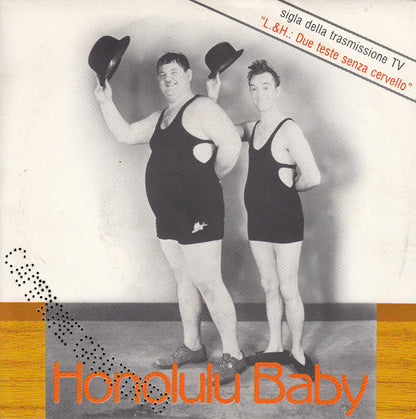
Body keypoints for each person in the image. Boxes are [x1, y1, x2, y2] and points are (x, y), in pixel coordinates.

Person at [94, 52, 246, 384]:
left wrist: (212, 176)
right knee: (184, 279)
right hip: (168, 213)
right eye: (162, 75)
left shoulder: (203, 108)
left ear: (188, 75)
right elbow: (126, 134)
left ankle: (234, 353)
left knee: (208, 282)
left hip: (199, 211)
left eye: (174, 72)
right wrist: (106, 102)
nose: (168, 79)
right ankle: (192, 346)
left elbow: (232, 145)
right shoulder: (161, 116)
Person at [207, 59, 321, 379]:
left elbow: (313, 176)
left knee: (288, 288)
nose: (260, 94)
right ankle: (274, 345)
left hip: (285, 220)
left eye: (266, 87)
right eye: (254, 88)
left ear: (278, 90)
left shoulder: (290, 129)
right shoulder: (252, 127)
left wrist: (289, 188)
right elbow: (222, 132)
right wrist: (212, 98)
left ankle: (296, 350)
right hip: (258, 220)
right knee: (269, 285)